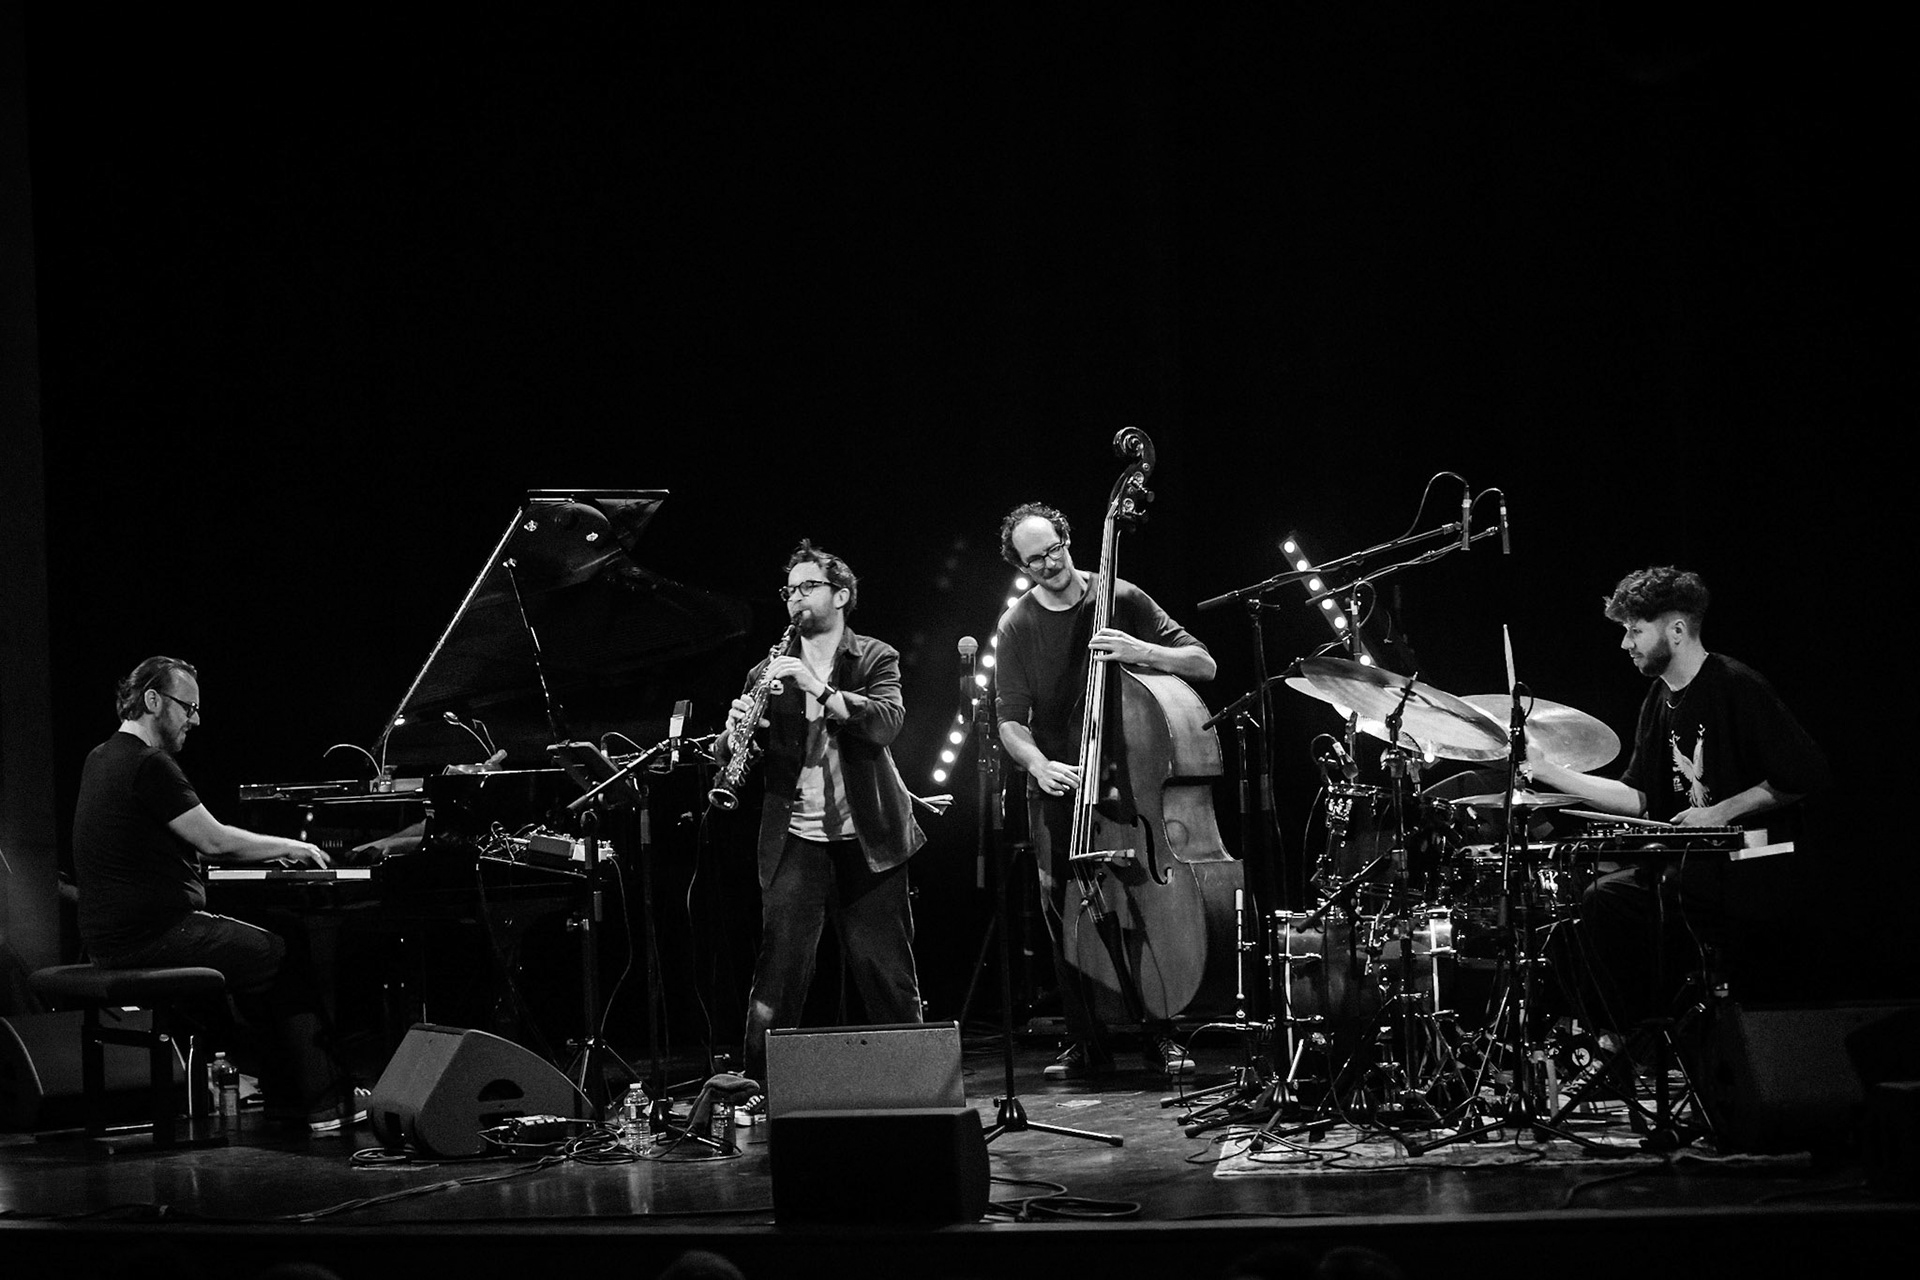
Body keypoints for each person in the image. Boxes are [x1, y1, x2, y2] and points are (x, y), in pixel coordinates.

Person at [1526, 567, 1830, 1029]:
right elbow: (1639, 798)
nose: (1625, 644)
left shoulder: (1735, 685)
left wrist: (1721, 811)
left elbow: (1806, 773)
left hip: (1756, 860)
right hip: (1698, 867)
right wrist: (1547, 771)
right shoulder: (1658, 700)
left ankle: (1635, 1039)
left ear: (1678, 630)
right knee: (1594, 898)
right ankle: (1626, 1039)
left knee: (1611, 901)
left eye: (1635, 631)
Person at [70, 656, 364, 1131]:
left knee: (265, 946)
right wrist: (294, 845)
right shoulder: (149, 764)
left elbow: (145, 846)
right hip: (154, 937)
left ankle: (285, 1094)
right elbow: (215, 839)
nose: (196, 720)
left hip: (109, 940)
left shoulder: (100, 758)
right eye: (188, 707)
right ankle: (326, 1101)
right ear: (152, 700)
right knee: (282, 952)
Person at [993, 502, 1217, 1080]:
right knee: (1063, 911)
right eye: (1034, 559)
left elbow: (1203, 663)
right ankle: (1083, 1036)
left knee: (1142, 905)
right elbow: (1010, 721)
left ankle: (1159, 1031)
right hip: (1060, 787)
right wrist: (1038, 765)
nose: (1050, 564)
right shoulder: (1017, 626)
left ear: (1068, 539)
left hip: (1133, 785)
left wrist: (1143, 651)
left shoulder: (1121, 597)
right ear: (1019, 566)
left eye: (1054, 549)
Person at [722, 542, 926, 1114]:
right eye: (789, 589)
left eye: (808, 586)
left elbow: (886, 724)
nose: (796, 598)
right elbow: (736, 754)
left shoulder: (875, 656)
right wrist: (735, 732)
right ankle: (756, 1091)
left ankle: (916, 1083)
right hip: (795, 837)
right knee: (779, 973)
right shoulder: (766, 671)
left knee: (886, 969)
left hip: (870, 838)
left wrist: (818, 688)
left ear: (840, 595)